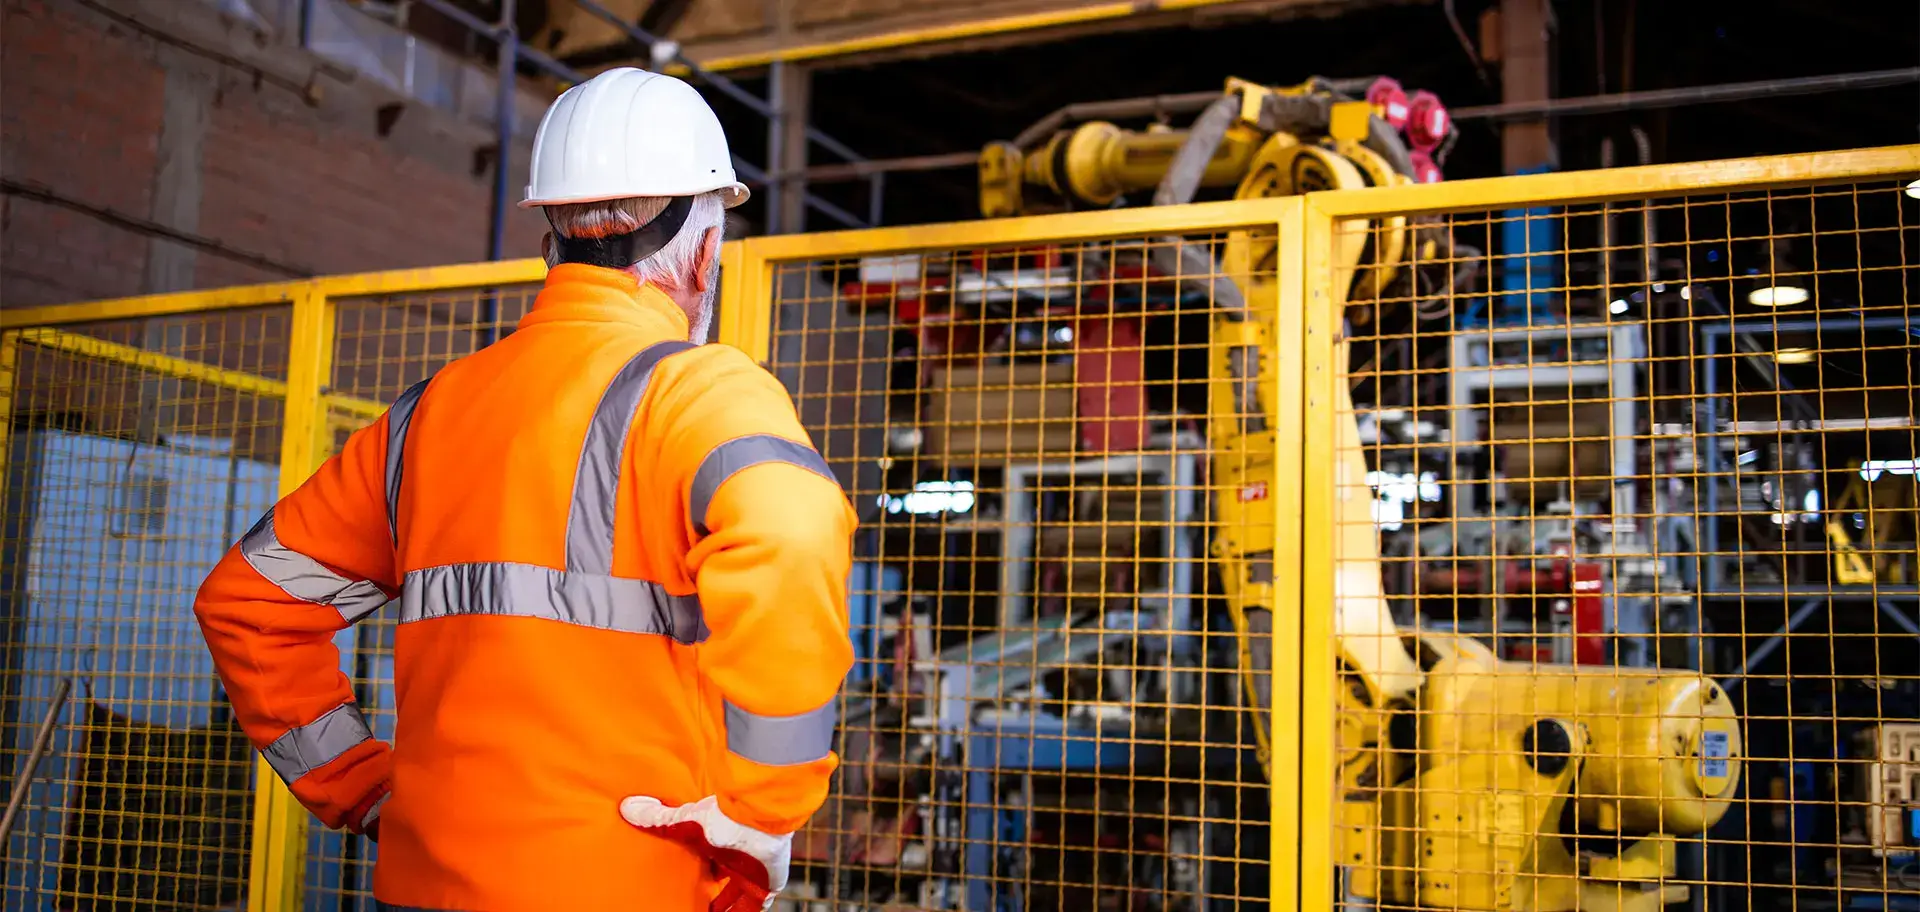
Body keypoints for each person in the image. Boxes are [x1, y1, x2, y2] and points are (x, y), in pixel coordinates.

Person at [193, 68, 855, 912]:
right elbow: (793, 536)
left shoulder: (424, 417)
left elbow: (246, 604)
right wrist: (765, 810)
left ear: (553, 235)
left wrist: (360, 787)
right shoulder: (702, 394)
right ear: (703, 246)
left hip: (422, 888)